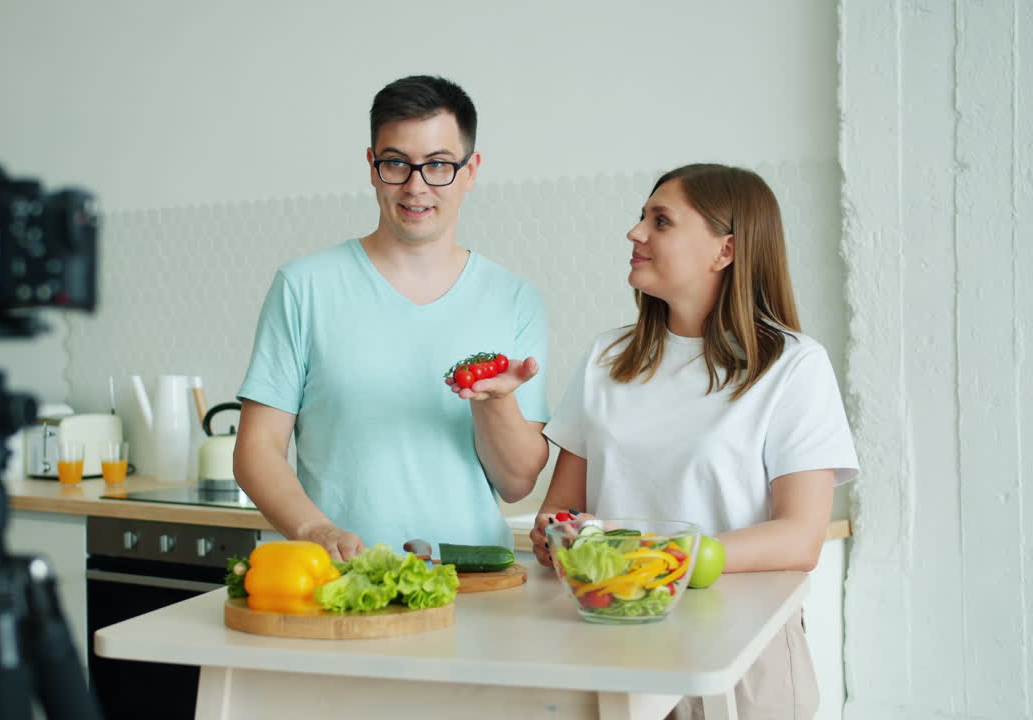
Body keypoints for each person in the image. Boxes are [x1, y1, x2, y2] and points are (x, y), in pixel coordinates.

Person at [530, 164, 858, 719]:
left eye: (661, 221)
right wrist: (555, 537)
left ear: (724, 250)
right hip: (614, 653)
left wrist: (657, 560)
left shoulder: (793, 366)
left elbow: (800, 537)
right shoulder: (606, 359)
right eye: (642, 217)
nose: (635, 232)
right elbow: (561, 509)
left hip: (743, 654)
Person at [233, 75, 550, 561]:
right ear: (372, 166)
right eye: (396, 163)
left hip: (477, 581)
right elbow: (256, 449)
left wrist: (495, 403)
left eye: (439, 164)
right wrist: (315, 529)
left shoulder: (515, 299)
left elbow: (516, 482)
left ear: (470, 171)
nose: (416, 186)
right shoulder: (303, 287)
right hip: (345, 580)